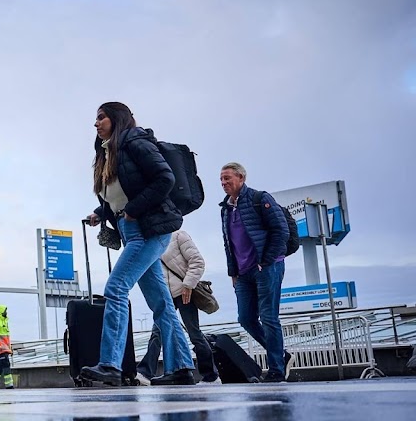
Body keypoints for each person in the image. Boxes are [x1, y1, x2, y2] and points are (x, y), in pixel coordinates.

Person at [80, 102, 196, 387]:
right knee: (161, 303)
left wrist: (134, 209)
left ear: (116, 119)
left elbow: (164, 178)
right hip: (129, 227)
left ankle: (110, 365)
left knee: (116, 288)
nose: (95, 124)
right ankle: (181, 367)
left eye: (101, 118)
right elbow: (119, 194)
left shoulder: (135, 142)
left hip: (147, 228)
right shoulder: (108, 152)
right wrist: (102, 214)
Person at [219, 162, 289, 383]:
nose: (223, 183)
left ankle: (276, 369)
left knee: (269, 317)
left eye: (228, 178)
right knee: (246, 318)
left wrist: (266, 261)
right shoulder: (225, 208)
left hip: (267, 268)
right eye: (221, 179)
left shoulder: (261, 199)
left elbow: (281, 231)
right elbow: (228, 242)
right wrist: (233, 272)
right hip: (242, 273)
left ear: (241, 177)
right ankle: (282, 355)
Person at [136, 230, 220, 384]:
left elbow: (197, 261)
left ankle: (211, 376)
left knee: (194, 333)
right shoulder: (150, 243)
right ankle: (144, 373)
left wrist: (188, 284)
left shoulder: (178, 236)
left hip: (184, 292)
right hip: (166, 296)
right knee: (157, 333)